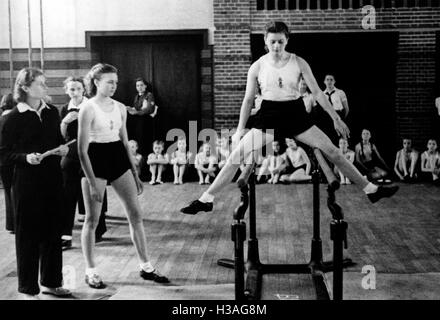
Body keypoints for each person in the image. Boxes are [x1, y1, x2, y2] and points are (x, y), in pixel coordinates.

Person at [181, 21, 398, 215]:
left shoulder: (299, 62)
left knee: (332, 150)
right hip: (268, 114)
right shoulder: (257, 66)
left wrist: (335, 118)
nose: (277, 46)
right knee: (236, 156)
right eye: (273, 42)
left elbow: (318, 93)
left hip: (295, 114)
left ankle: (371, 190)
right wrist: (239, 129)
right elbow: (248, 100)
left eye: (281, 42)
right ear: (266, 41)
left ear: (287, 41)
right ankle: (206, 199)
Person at [78, 63, 168, 289]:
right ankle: (91, 271)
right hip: (94, 159)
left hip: (117, 157)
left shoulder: (119, 107)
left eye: (116, 82)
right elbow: (81, 150)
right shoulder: (87, 108)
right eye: (109, 82)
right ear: (96, 82)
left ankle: (146, 266)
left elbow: (125, 142)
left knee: (135, 214)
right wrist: (91, 181)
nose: (113, 86)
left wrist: (136, 174)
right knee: (91, 219)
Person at [0, 67, 71, 299]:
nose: (45, 87)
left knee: (52, 232)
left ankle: (51, 282)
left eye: (45, 83)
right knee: (27, 235)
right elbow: (4, 154)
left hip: (52, 179)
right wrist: (25, 158)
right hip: (26, 183)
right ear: (25, 87)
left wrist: (62, 149)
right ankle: (28, 288)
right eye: (40, 83)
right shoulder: (12, 117)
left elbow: (57, 140)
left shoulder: (51, 112)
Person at [60, 77, 108, 249]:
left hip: (91, 152)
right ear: (66, 90)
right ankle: (65, 234)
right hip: (72, 154)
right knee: (66, 194)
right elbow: (61, 137)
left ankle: (98, 230)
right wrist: (65, 122)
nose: (75, 92)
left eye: (78, 89)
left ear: (84, 90)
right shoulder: (64, 108)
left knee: (95, 190)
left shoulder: (92, 106)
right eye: (71, 89)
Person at [126, 78, 158, 156]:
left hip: (146, 121)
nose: (139, 87)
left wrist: (136, 112)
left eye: (141, 85)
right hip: (138, 121)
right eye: (137, 85)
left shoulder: (149, 95)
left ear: (145, 86)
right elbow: (137, 107)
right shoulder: (136, 96)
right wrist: (131, 109)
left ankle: (146, 157)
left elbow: (150, 109)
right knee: (138, 139)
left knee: (145, 139)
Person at [0, 93, 16, 233]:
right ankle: (16, 223)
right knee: (15, 191)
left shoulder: (1, 118)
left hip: (2, 161)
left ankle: (10, 224)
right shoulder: (13, 119)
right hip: (13, 159)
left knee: (7, 191)